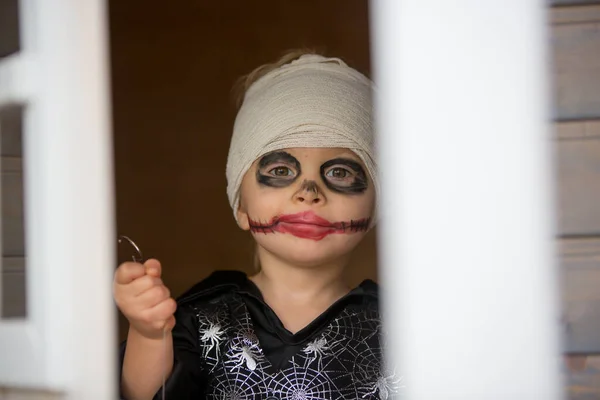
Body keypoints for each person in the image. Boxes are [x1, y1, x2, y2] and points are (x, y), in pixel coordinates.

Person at [114, 50, 402, 399]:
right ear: (241, 205)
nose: (308, 193)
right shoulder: (205, 320)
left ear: (375, 205)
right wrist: (148, 334)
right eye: (281, 171)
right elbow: (140, 396)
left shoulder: (403, 330)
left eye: (339, 172)